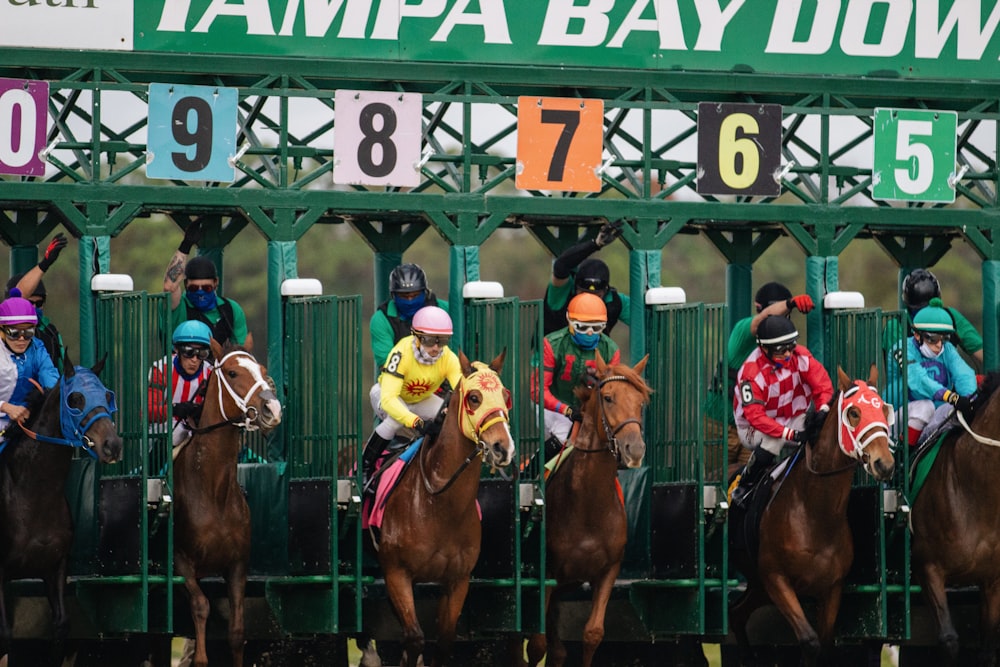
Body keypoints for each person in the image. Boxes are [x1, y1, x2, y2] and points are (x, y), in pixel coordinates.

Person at [703, 282, 814, 477]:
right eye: (777, 313)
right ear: (760, 309)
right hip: (719, 425)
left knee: (752, 480)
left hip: (754, 428)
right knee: (714, 484)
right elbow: (764, 319)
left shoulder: (788, 348)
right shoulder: (743, 330)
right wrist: (790, 303)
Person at [730, 315, 833, 506]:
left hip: (791, 419)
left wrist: (823, 410)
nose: (787, 354)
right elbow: (756, 416)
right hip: (753, 428)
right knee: (773, 439)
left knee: (824, 429)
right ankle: (745, 484)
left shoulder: (801, 356)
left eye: (790, 346)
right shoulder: (750, 373)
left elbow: (823, 386)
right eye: (780, 349)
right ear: (764, 349)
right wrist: (789, 433)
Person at [361, 305, 463, 492]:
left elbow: (461, 392)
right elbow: (390, 399)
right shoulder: (401, 354)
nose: (435, 347)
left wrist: (449, 410)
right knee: (394, 421)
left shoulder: (449, 358)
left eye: (442, 341)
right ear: (416, 337)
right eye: (429, 340)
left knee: (451, 420)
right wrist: (416, 422)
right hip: (387, 395)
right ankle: (365, 468)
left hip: (420, 399)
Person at [533, 292, 621, 453]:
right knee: (564, 433)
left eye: (596, 328)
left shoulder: (611, 350)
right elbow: (537, 391)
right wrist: (566, 409)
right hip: (554, 408)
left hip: (591, 411)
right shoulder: (552, 344)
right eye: (582, 327)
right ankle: (533, 473)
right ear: (570, 322)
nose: (589, 333)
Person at [886, 298, 977, 447]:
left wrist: (969, 399)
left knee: (956, 412)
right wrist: (951, 396)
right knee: (925, 407)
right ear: (917, 335)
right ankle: (904, 458)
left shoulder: (947, 350)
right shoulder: (901, 349)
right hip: (898, 418)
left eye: (944, 338)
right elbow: (918, 379)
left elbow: (963, 373)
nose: (939, 345)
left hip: (933, 417)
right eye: (933, 339)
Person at [163, 220, 247, 346]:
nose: (200, 292)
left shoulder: (231, 309)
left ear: (215, 283)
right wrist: (185, 245)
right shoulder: (179, 306)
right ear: (186, 284)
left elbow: (241, 352)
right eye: (194, 288)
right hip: (179, 364)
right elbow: (169, 287)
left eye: (206, 288)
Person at [542, 220, 630, 335]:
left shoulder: (615, 301)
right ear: (575, 287)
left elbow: (646, 317)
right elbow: (560, 266)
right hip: (552, 351)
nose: (589, 300)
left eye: (596, 295)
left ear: (605, 291)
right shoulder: (561, 294)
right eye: (584, 293)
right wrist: (596, 244)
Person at [883, 268, 983, 367]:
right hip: (914, 380)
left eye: (930, 308)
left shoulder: (951, 316)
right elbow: (906, 372)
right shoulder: (895, 327)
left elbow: (981, 352)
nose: (927, 315)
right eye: (920, 310)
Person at [0, 291, 60, 435]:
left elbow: (49, 376)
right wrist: (6, 407)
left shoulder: (36, 348)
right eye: (14, 333)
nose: (22, 339)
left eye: (28, 333)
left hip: (23, 422)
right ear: (2, 331)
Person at [6, 232, 68, 370]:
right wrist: (45, 264)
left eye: (38, 303)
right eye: (29, 302)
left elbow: (61, 373)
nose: (33, 307)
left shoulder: (50, 332)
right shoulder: (5, 328)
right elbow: (19, 296)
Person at [369, 262, 449, 371]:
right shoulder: (381, 319)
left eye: (415, 295)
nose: (410, 301)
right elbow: (387, 363)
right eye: (403, 296)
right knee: (376, 389)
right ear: (393, 295)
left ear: (425, 293)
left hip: (442, 376)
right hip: (400, 379)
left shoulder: (443, 309)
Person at [148, 321, 214, 449]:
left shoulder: (210, 373)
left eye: (202, 353)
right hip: (161, 433)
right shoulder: (162, 370)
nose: (194, 359)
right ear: (176, 349)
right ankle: (152, 469)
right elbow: (147, 412)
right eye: (188, 352)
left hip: (196, 431)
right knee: (177, 433)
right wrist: (174, 409)